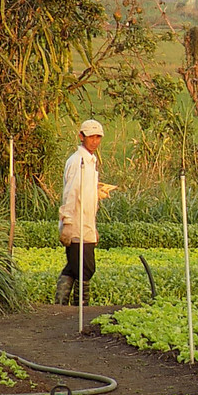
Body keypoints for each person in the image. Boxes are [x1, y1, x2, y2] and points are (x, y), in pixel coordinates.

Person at [54, 119, 114, 305]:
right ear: (81, 137)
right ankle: (77, 308)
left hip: (86, 222)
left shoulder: (90, 161)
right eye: (91, 137)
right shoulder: (77, 161)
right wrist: (68, 223)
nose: (95, 141)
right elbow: (70, 194)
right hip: (76, 223)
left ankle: (64, 308)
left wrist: (97, 192)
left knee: (76, 266)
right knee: (85, 268)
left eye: (98, 137)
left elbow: (84, 191)